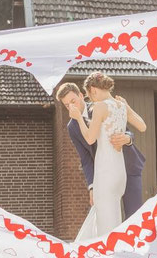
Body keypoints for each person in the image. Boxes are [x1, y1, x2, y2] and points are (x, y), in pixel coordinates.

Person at [65, 72, 147, 258]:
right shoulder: (120, 105)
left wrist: (79, 118)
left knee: (116, 222)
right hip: (117, 170)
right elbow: (142, 125)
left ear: (89, 92)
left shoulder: (97, 108)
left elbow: (91, 139)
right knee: (108, 219)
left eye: (74, 101)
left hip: (111, 168)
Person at [55, 82, 146, 218]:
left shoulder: (101, 106)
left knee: (134, 216)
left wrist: (127, 138)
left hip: (127, 166)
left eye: (73, 101)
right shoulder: (72, 127)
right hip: (104, 174)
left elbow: (127, 131)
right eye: (67, 105)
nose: (71, 107)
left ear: (81, 95)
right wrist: (91, 186)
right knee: (107, 218)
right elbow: (85, 159)